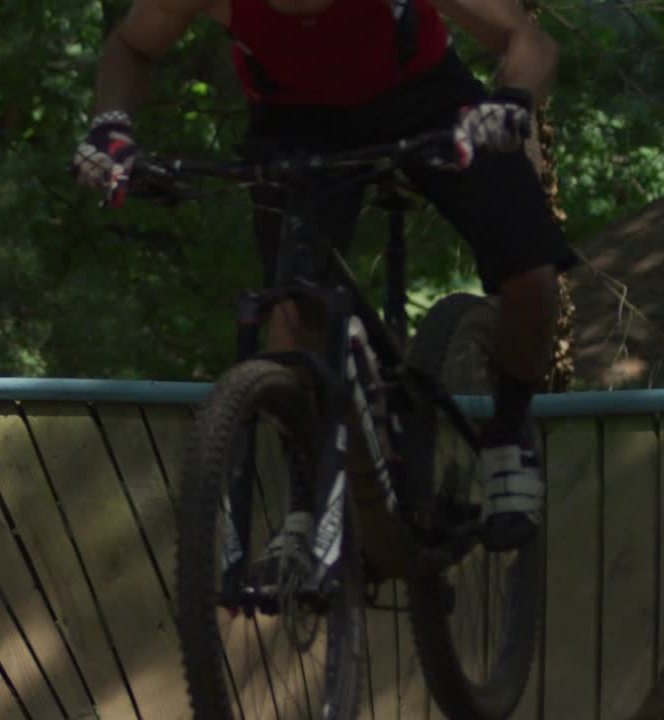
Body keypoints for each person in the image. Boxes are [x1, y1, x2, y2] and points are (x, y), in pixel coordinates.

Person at [72, 0, 576, 554]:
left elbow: (529, 40)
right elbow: (132, 44)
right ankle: (305, 503)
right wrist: (109, 126)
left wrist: (512, 101)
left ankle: (507, 435)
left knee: (529, 266)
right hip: (296, 122)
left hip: (427, 101)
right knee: (293, 304)